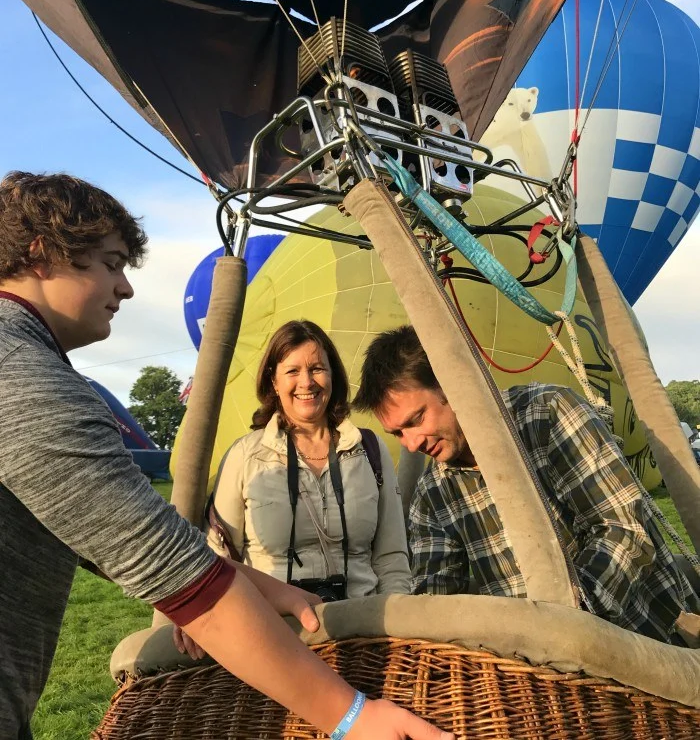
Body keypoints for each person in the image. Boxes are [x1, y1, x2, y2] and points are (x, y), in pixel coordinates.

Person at [0, 172, 452, 740]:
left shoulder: (367, 450)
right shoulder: (24, 376)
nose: (127, 288)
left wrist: (275, 592)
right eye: (112, 262)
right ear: (42, 255)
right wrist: (351, 716)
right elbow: (178, 569)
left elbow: (129, 545)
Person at [353, 324, 694, 645]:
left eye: (416, 420)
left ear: (451, 384)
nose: (412, 444)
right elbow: (436, 595)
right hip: (540, 673)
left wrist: (564, 622)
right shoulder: (432, 495)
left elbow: (626, 529)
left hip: (648, 641)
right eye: (398, 433)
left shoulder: (550, 415)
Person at [206, 320, 410, 598]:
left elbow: (391, 556)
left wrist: (396, 621)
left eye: (317, 369)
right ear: (274, 382)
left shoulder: (369, 450)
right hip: (276, 624)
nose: (306, 382)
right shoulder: (245, 456)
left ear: (332, 375)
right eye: (292, 371)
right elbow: (220, 556)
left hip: (362, 623)